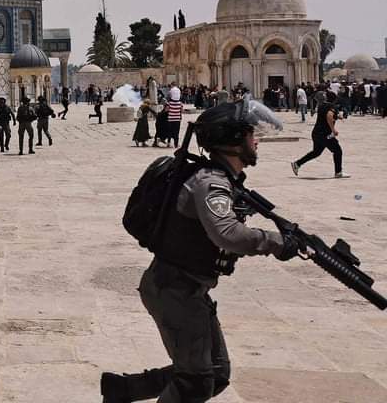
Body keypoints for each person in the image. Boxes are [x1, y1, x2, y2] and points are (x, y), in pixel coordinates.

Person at [101, 100, 300, 402]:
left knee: (215, 373)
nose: (256, 140)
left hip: (186, 288)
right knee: (195, 382)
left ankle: (122, 390)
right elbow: (228, 235)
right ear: (233, 140)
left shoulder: (219, 180)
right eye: (250, 134)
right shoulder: (210, 184)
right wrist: (276, 242)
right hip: (175, 289)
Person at [291, 91, 348, 178]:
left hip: (316, 133)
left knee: (316, 152)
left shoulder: (321, 106)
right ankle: (338, 172)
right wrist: (333, 130)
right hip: (325, 134)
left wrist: (338, 116)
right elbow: (329, 116)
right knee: (337, 150)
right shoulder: (332, 106)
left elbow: (327, 115)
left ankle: (297, 164)